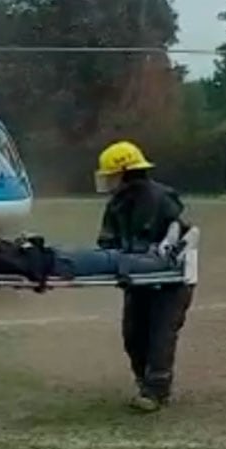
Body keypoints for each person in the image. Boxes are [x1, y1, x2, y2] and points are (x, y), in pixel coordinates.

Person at [94, 141, 195, 413]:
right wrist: (115, 259)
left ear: (126, 173)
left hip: (172, 281)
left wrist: (159, 250)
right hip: (137, 279)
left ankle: (156, 391)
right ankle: (144, 381)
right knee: (133, 333)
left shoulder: (162, 198)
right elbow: (107, 240)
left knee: (160, 335)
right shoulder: (116, 205)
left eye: (111, 174)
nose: (107, 180)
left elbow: (181, 231)